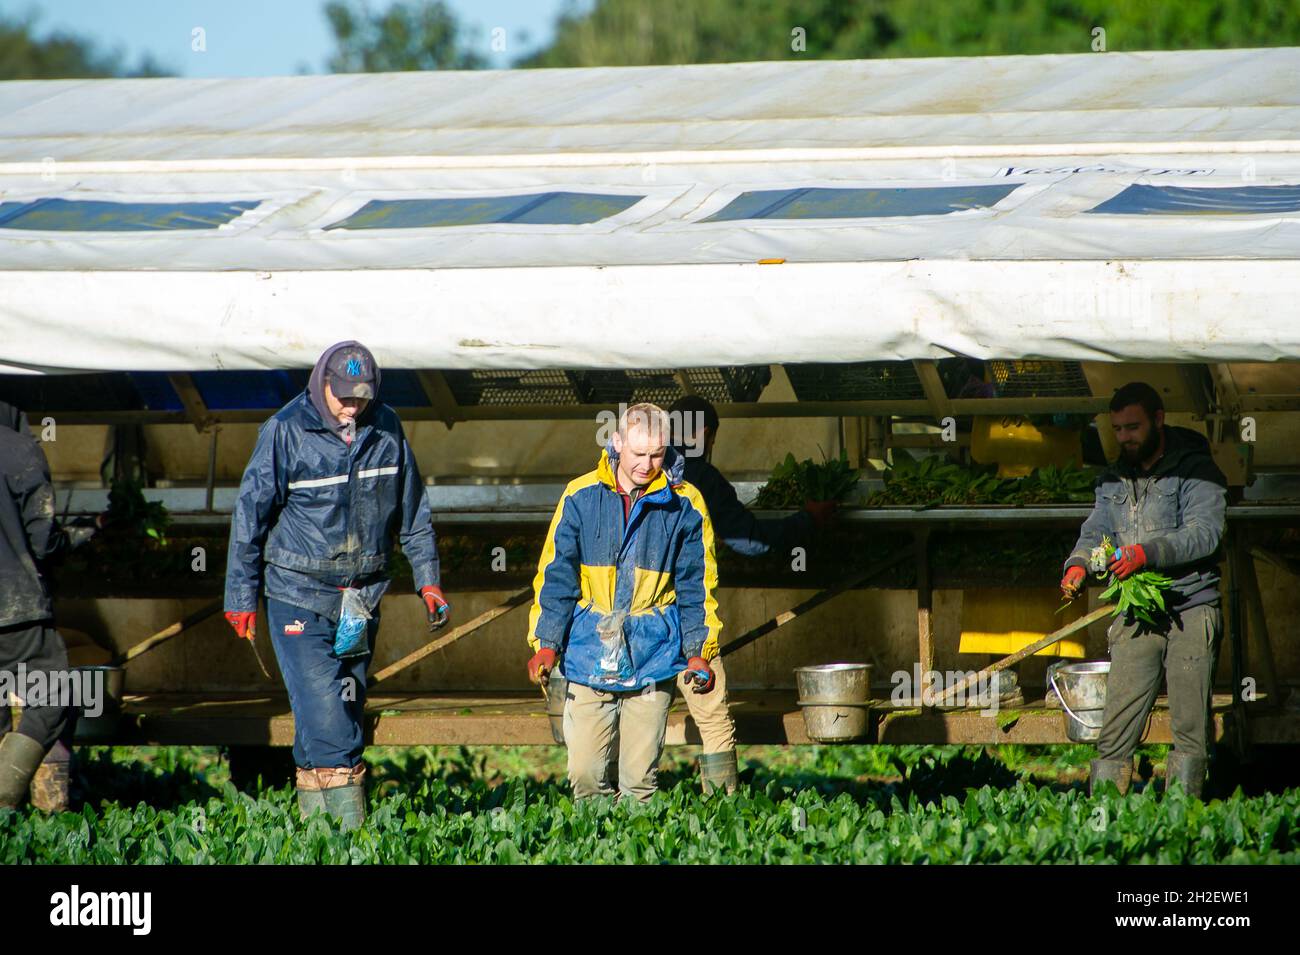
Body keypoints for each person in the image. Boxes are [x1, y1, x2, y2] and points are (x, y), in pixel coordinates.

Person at [224, 342, 448, 829]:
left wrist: (428, 581)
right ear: (321, 383)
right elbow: (249, 517)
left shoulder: (387, 427)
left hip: (361, 598)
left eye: (361, 397)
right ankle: (350, 835)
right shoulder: (285, 431)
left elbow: (414, 514)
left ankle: (315, 838)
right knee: (327, 712)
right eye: (343, 395)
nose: (352, 406)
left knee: (342, 705)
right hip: (297, 592)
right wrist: (240, 597)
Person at [525, 402, 721, 802]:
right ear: (616, 443)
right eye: (637, 454)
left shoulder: (686, 503)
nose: (647, 465)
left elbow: (696, 586)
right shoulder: (579, 496)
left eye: (656, 455)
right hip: (587, 650)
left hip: (653, 652)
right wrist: (546, 644)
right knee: (584, 774)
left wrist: (698, 651)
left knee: (638, 781)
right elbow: (556, 577)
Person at [1060, 382, 1227, 799]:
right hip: (1140, 610)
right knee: (1118, 721)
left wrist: (1145, 553)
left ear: (1158, 419)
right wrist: (1078, 565)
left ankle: (1185, 816)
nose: (1124, 438)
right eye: (1117, 429)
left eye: (1132, 427)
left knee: (1190, 725)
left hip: (1192, 605)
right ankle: (1104, 814)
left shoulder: (1197, 469)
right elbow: (1095, 531)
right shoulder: (1112, 479)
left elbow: (1205, 534)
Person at [665, 395, 834, 793]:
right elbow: (751, 541)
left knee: (642, 709)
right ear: (706, 434)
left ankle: (625, 805)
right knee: (713, 718)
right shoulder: (702, 478)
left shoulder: (638, 473)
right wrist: (807, 521)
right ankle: (722, 808)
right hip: (685, 616)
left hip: (637, 616)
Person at [0, 400, 96, 811]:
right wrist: (82, 535)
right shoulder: (19, 450)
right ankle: (4, 793)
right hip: (15, 607)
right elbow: (43, 541)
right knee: (57, 693)